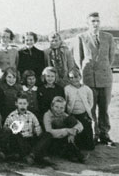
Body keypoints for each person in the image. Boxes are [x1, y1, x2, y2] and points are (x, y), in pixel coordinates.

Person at [73, 12, 116, 146]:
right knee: (90, 109)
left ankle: (104, 134)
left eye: (97, 21)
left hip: (105, 79)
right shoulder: (81, 37)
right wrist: (86, 72)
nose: (95, 24)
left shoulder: (108, 37)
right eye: (92, 21)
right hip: (89, 78)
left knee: (104, 108)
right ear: (88, 23)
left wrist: (103, 68)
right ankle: (93, 135)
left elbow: (111, 57)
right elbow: (78, 58)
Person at [3, 93, 53, 166]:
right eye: (20, 103)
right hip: (19, 142)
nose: (22, 105)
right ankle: (37, 156)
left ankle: (31, 155)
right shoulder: (11, 116)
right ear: (16, 104)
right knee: (16, 134)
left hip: (30, 140)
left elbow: (38, 132)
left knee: (48, 135)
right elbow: (6, 132)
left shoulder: (31, 115)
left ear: (27, 104)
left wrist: (38, 136)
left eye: (24, 103)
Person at [43, 96, 85, 163]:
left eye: (61, 108)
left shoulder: (64, 115)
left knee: (72, 120)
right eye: (56, 107)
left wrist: (73, 132)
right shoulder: (47, 115)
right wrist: (67, 130)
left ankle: (73, 154)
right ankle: (72, 154)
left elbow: (80, 125)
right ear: (52, 106)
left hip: (63, 139)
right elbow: (49, 131)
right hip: (52, 141)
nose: (59, 110)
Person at [64, 69, 95, 150]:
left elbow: (90, 101)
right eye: (71, 77)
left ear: (80, 77)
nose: (74, 79)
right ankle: (78, 146)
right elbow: (66, 101)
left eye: (76, 77)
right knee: (76, 129)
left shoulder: (86, 89)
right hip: (73, 113)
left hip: (83, 113)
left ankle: (88, 145)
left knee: (86, 128)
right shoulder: (67, 89)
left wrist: (87, 108)